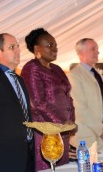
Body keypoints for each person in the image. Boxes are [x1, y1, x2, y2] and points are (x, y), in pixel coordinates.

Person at [0, 33, 35, 172]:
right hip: (3, 157)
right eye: (12, 47)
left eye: (18, 47)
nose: (18, 50)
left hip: (27, 153)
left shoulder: (19, 80)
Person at [21, 28, 75, 171]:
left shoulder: (57, 68)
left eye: (55, 45)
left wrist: (71, 121)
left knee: (62, 167)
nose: (55, 49)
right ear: (37, 49)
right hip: (46, 132)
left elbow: (67, 95)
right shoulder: (31, 68)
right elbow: (38, 102)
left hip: (63, 130)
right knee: (48, 168)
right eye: (50, 45)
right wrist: (62, 123)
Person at [67, 38, 103, 154]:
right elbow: (80, 109)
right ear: (80, 53)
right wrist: (102, 131)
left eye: (97, 49)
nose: (97, 52)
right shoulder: (74, 76)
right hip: (87, 135)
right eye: (93, 49)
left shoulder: (99, 75)